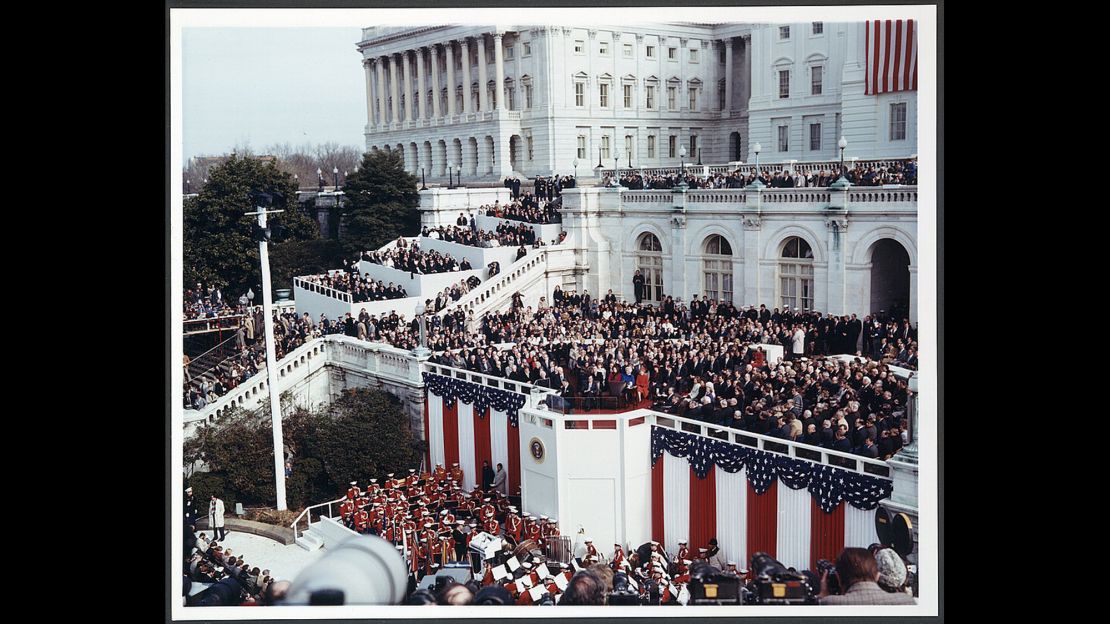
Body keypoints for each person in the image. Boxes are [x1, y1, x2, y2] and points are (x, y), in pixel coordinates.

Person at [818, 548, 916, 605]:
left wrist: (822, 596)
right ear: (877, 576)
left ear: (838, 578)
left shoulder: (829, 603)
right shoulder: (907, 601)